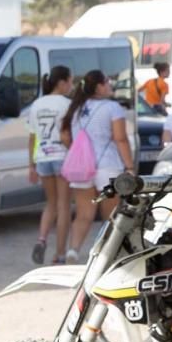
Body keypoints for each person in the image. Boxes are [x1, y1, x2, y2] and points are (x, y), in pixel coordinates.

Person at [60, 70, 135, 264]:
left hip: (82, 168)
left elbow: (66, 137)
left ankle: (73, 251)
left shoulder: (75, 108)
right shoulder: (112, 108)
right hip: (108, 166)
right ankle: (108, 254)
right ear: (99, 86)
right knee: (111, 216)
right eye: (108, 82)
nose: (110, 86)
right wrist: (129, 166)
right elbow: (120, 138)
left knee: (84, 214)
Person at [26, 65, 73, 265]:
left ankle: (41, 239)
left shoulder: (36, 105)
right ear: (62, 82)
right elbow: (68, 135)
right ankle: (60, 254)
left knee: (51, 204)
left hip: (42, 157)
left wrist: (31, 165)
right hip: (62, 156)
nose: (71, 86)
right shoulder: (67, 104)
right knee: (64, 206)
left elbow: (32, 137)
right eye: (70, 82)